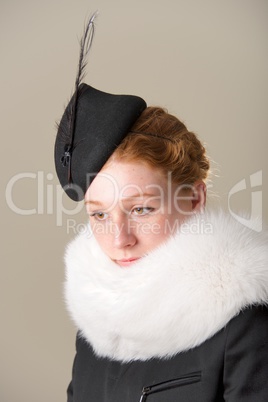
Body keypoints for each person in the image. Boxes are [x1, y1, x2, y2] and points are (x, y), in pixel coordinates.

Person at [55, 15, 268, 402]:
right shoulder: (97, 321)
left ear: (194, 199)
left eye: (141, 209)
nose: (119, 240)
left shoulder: (245, 322)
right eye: (99, 214)